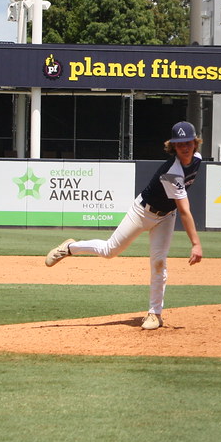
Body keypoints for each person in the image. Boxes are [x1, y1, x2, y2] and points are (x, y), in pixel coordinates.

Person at [44, 121, 204, 330]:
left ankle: (154, 314)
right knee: (110, 250)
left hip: (166, 217)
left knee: (159, 263)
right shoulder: (171, 172)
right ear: (173, 146)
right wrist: (195, 243)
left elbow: (178, 209)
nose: (184, 147)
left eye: (188, 142)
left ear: (195, 142)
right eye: (179, 143)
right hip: (142, 212)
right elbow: (185, 210)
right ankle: (69, 248)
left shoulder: (197, 159)